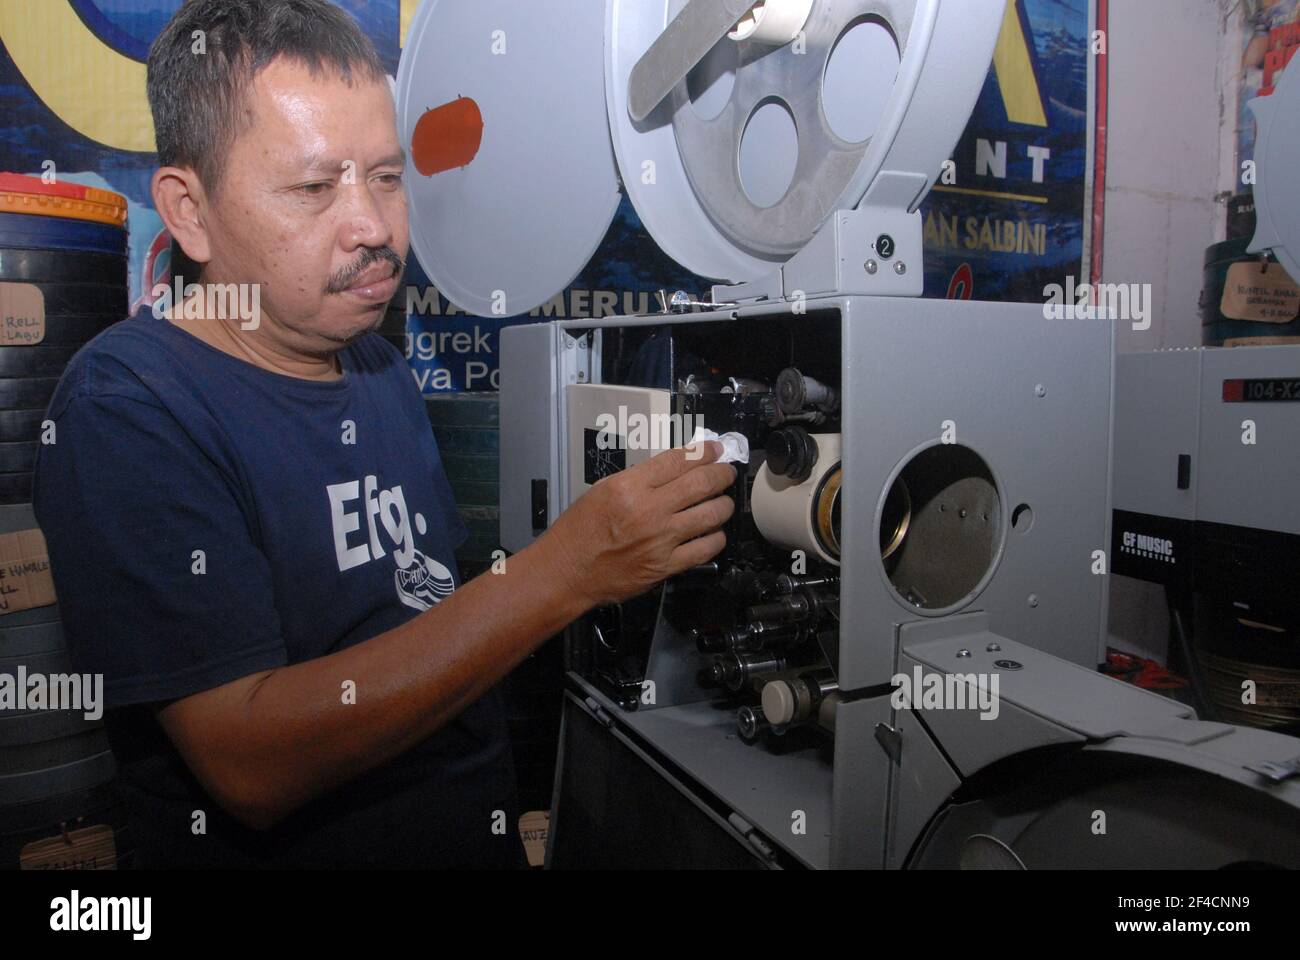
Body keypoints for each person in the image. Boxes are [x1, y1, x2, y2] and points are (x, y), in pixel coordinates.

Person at [32, 0, 735, 868]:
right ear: (189, 211)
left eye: (388, 178)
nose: (372, 227)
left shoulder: (377, 370)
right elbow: (249, 762)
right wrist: (565, 571)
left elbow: (425, 619)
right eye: (315, 187)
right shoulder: (129, 406)